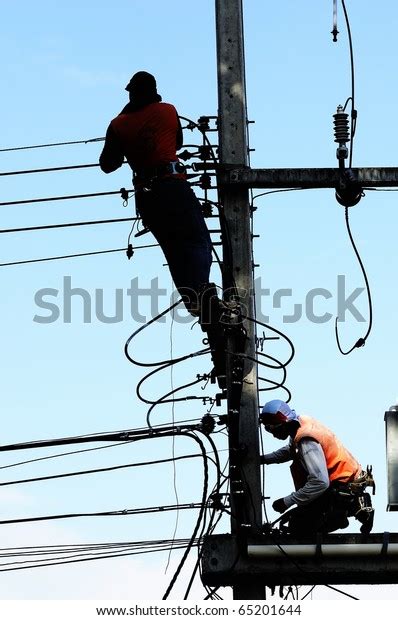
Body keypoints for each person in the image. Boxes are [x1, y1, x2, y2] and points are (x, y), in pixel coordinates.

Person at [99, 71, 214, 317]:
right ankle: (204, 297)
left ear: (130, 94)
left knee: (173, 250)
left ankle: (194, 302)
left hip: (147, 197)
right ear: (154, 91)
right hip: (173, 186)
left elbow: (107, 164)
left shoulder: (118, 125)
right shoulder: (168, 111)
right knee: (198, 242)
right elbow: (179, 143)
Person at [260, 399, 374, 536]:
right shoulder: (301, 423)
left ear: (284, 424)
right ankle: (352, 507)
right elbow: (291, 450)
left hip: (339, 487)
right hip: (345, 482)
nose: (273, 435)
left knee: (298, 526)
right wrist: (263, 459)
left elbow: (320, 482)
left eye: (274, 429)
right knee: (299, 515)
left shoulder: (306, 441)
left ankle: (342, 512)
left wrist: (287, 501)